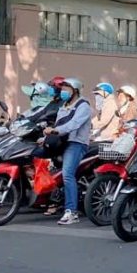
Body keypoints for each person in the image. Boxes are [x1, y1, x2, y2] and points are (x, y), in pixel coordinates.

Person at [42, 78, 92, 226]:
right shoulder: (64, 106)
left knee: (67, 174)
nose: (63, 91)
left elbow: (74, 124)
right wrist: (45, 137)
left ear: (75, 90)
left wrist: (56, 131)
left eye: (66, 89)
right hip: (62, 142)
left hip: (76, 143)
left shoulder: (83, 105)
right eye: (62, 89)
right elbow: (58, 123)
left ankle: (71, 212)